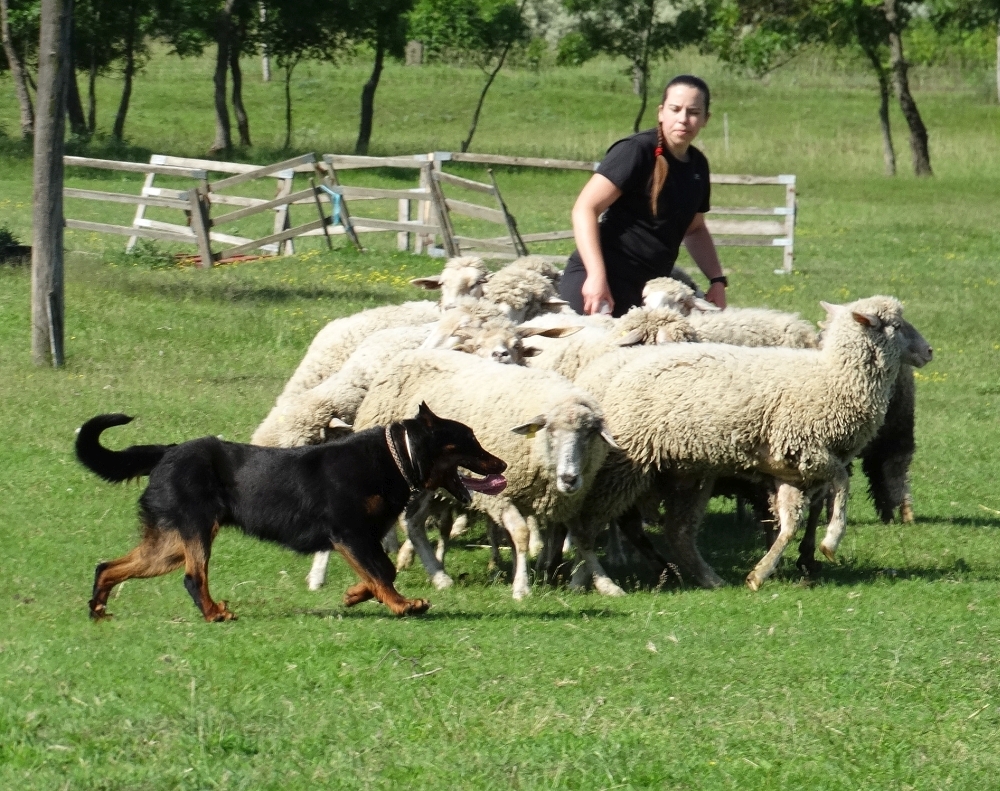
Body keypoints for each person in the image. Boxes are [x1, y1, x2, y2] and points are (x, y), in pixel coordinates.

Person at [559, 75, 727, 317]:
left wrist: (717, 280)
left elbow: (695, 228)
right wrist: (596, 276)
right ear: (661, 112)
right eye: (675, 109)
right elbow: (585, 208)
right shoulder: (636, 151)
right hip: (602, 278)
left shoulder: (698, 165)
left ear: (705, 119)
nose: (683, 119)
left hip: (650, 290)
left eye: (693, 112)